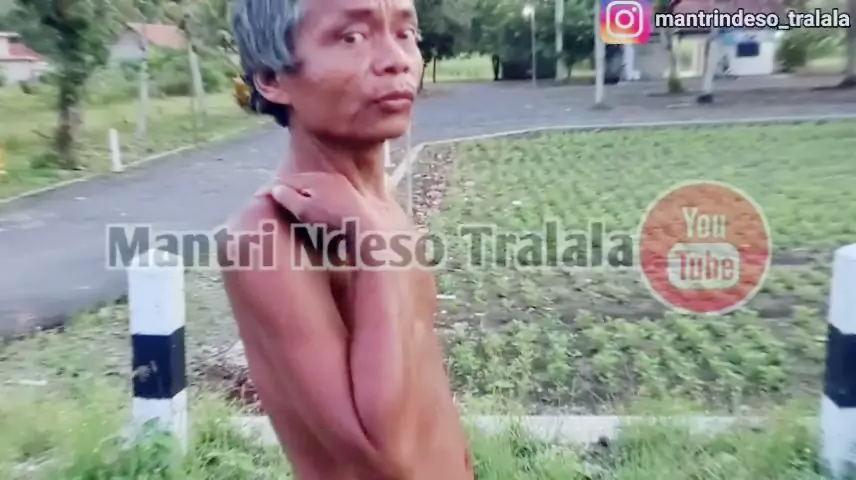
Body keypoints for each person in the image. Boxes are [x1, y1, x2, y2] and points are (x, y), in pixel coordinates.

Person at [220, 0, 474, 479]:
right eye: (352, 37)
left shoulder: (375, 203)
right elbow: (383, 457)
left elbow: (424, 389)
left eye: (406, 34)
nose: (397, 60)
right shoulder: (265, 237)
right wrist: (376, 252)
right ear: (272, 78)